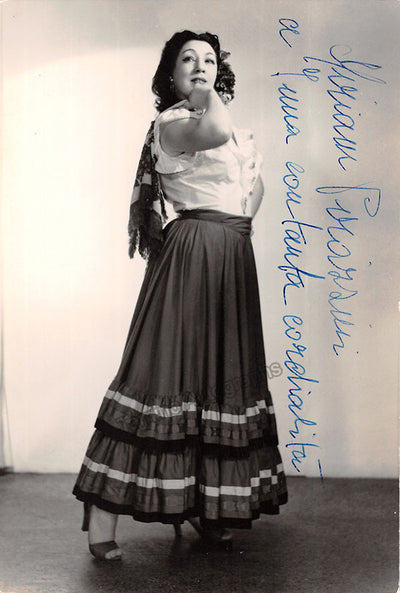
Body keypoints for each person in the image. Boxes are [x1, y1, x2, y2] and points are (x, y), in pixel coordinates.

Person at [73, 30, 288, 561]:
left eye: (209, 60)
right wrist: (207, 95)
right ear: (171, 77)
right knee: (162, 374)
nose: (200, 66)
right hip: (192, 255)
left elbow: (254, 186)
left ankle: (205, 507)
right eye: (188, 59)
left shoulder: (224, 125)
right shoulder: (173, 123)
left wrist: (235, 225)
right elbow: (215, 129)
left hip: (230, 257)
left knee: (216, 380)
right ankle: (101, 514)